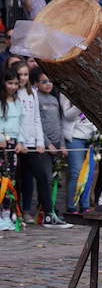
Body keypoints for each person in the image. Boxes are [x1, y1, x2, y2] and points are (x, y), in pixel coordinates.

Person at [13, 62, 58, 227]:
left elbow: (36, 118)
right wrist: (20, 140)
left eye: (25, 74)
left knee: (40, 177)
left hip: (33, 143)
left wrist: (40, 141)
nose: (23, 78)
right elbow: (14, 120)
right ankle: (19, 213)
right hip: (18, 143)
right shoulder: (12, 92)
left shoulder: (32, 93)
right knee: (21, 180)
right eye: (20, 75)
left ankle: (46, 213)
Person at [31, 68, 69, 227]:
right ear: (36, 84)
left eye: (50, 81)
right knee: (45, 178)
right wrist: (48, 144)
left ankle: (51, 209)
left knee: (54, 181)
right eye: (44, 81)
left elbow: (59, 124)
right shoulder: (36, 99)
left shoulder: (54, 99)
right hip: (44, 147)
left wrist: (62, 144)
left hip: (57, 146)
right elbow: (37, 122)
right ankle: (47, 212)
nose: (48, 84)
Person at [0, 70, 23, 231]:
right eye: (10, 83)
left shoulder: (18, 101)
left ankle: (8, 213)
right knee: (1, 179)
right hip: (1, 143)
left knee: (11, 180)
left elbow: (21, 123)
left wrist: (21, 141)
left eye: (16, 83)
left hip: (13, 144)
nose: (13, 86)